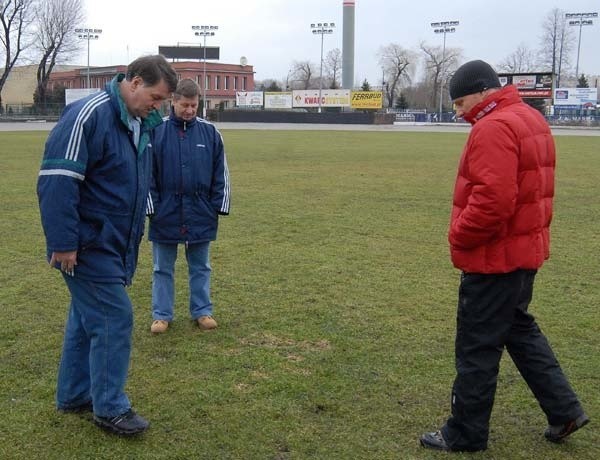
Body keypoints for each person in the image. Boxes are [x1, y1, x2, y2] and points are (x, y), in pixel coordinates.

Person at [419, 60, 589, 452]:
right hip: (523, 252)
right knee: (518, 330)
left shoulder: (494, 127)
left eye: (461, 103)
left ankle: (466, 432)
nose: (460, 113)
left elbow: (493, 202)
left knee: (477, 345)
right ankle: (564, 411)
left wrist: (458, 236)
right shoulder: (529, 118)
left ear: (483, 91)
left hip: (494, 257)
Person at [37, 55, 178, 436]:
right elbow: (56, 181)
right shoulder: (90, 115)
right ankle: (110, 408)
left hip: (113, 242)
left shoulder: (140, 123)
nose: (158, 106)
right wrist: (64, 243)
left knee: (86, 319)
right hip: (86, 244)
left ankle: (73, 394)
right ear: (133, 81)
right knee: (114, 317)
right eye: (156, 97)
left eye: (163, 102)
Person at [147, 78, 230, 334]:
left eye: (194, 105)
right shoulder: (156, 131)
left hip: (200, 212)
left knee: (201, 266)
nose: (190, 110)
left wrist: (218, 205)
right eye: (185, 105)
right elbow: (146, 173)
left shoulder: (211, 133)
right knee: (162, 267)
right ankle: (161, 315)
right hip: (166, 212)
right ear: (173, 102)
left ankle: (202, 311)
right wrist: (153, 207)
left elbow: (221, 172)